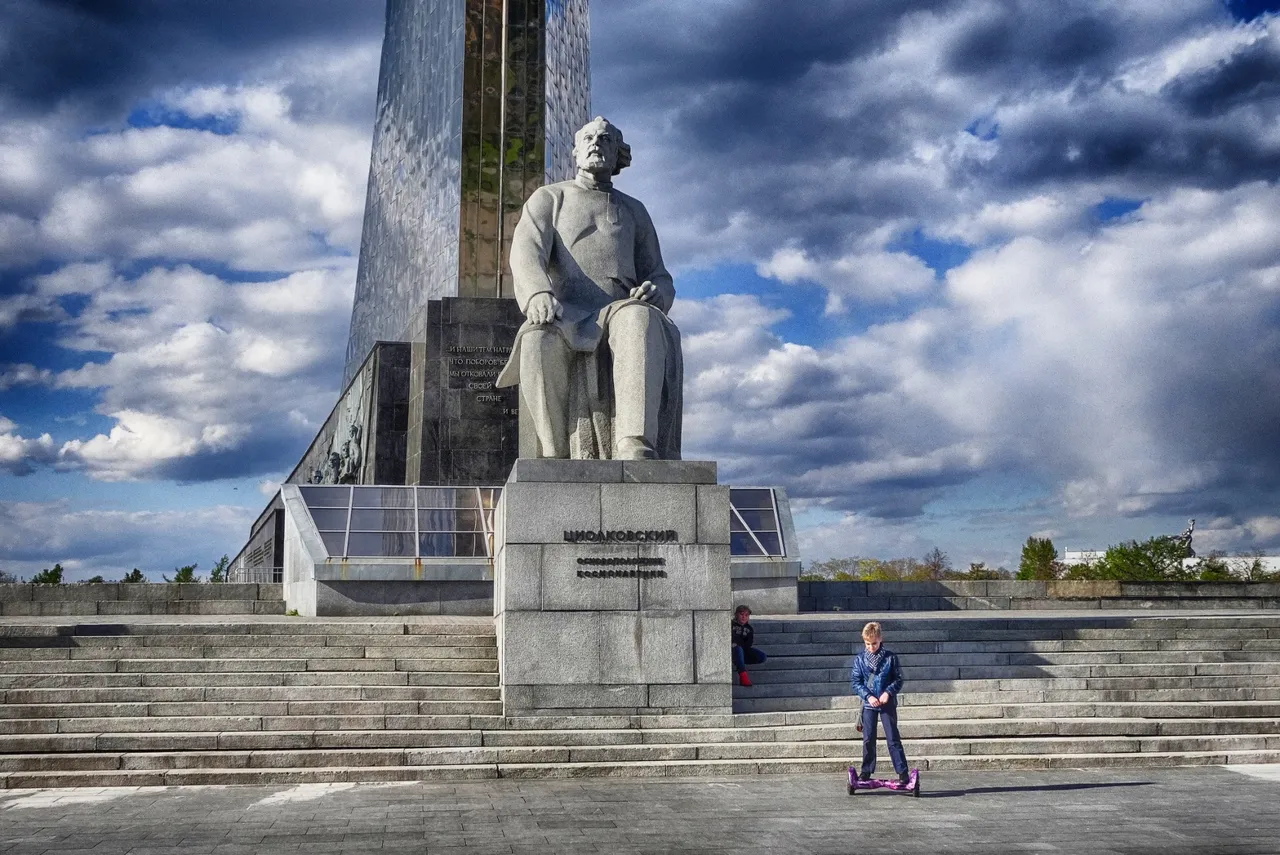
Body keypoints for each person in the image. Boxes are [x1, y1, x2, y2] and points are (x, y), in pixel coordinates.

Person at [494, 117, 683, 460]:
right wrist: (538, 293)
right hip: (566, 311)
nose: (596, 143)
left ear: (618, 156)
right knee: (536, 339)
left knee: (639, 319)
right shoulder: (550, 198)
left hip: (620, 309)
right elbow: (526, 251)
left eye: (606, 140)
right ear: (576, 152)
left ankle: (634, 441)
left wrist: (657, 292)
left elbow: (659, 274)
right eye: (589, 139)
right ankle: (552, 454)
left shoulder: (634, 210)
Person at [850, 621, 910, 785]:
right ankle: (866, 771)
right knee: (868, 738)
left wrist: (888, 693)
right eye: (867, 644)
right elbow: (856, 682)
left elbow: (898, 679)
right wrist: (868, 696)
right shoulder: (860, 660)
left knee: (892, 737)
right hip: (869, 704)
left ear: (880, 639)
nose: (871, 647)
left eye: (874, 643)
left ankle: (902, 771)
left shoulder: (890, 658)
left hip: (886, 703)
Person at [731, 605, 766, 687]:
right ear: (736, 615)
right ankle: (743, 675)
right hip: (732, 650)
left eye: (746, 615)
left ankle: (740, 661)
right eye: (741, 614)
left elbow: (748, 644)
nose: (744, 617)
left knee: (762, 656)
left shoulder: (749, 629)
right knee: (738, 649)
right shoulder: (731, 625)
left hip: (743, 650)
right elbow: (732, 639)